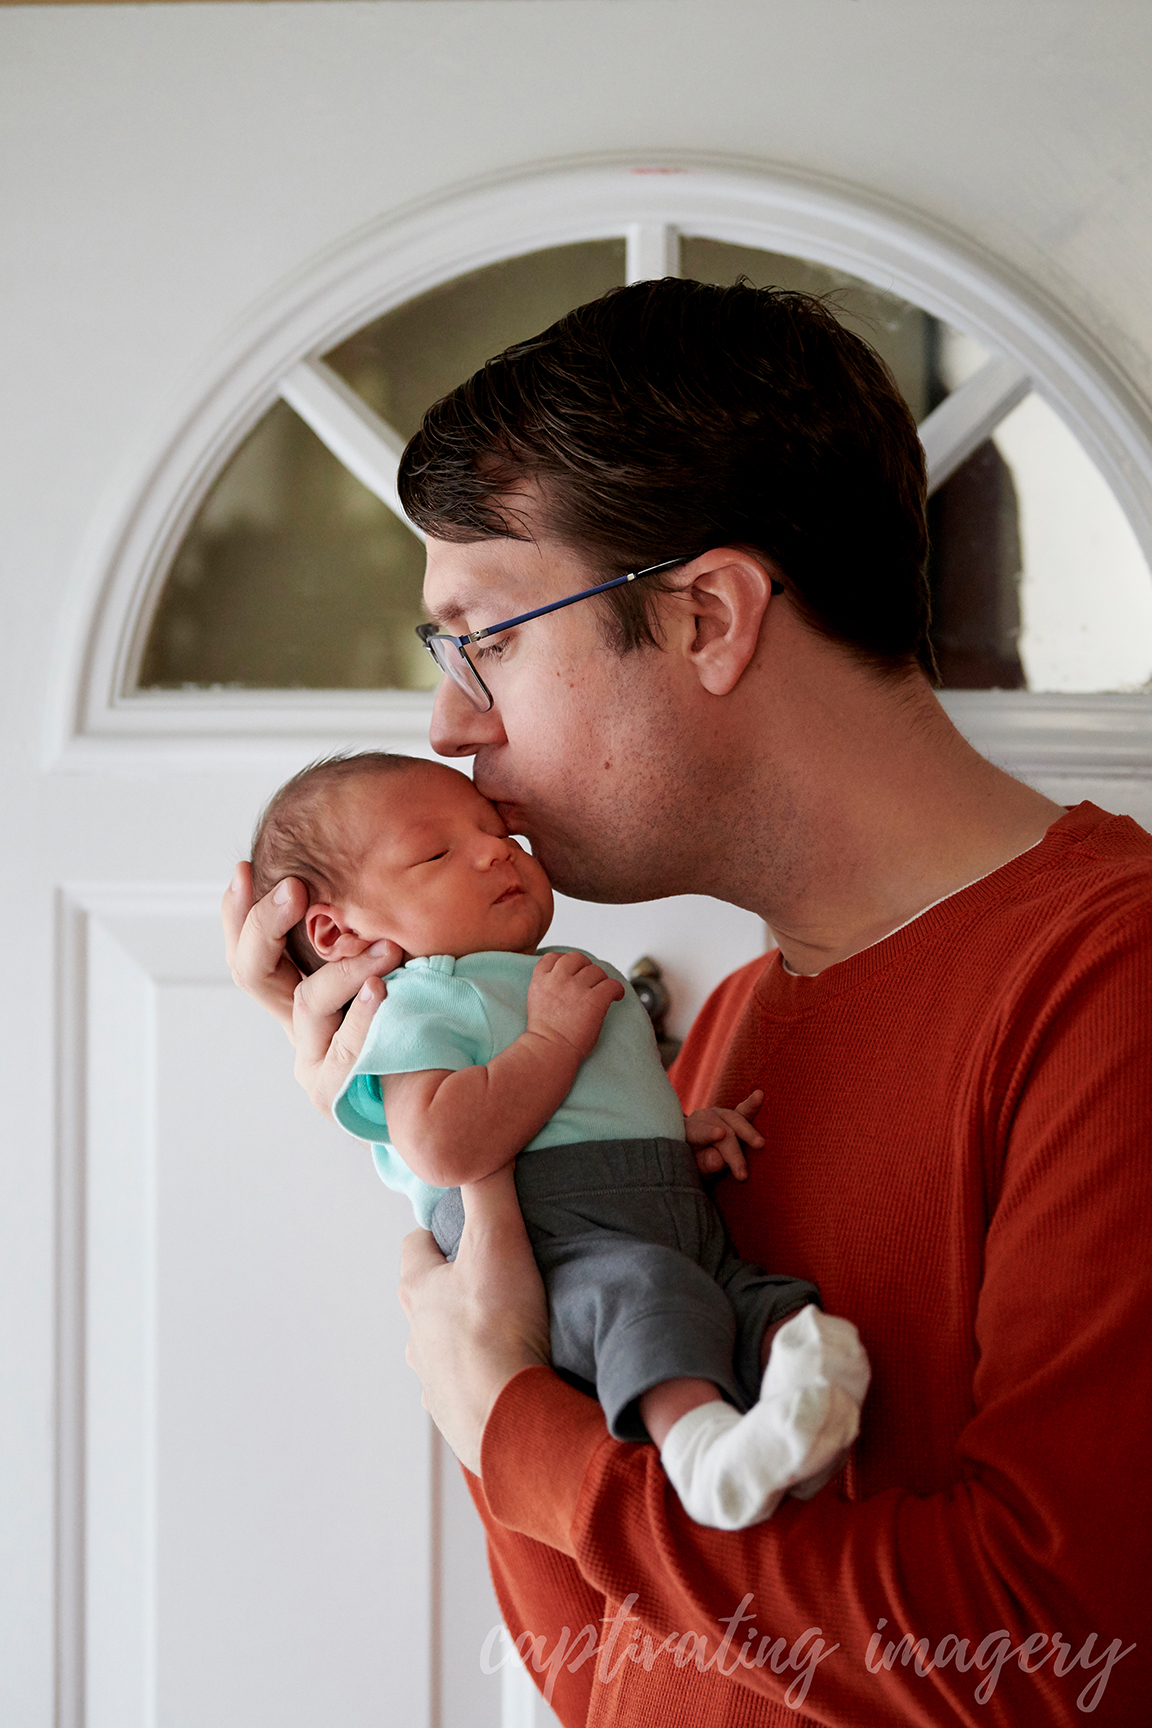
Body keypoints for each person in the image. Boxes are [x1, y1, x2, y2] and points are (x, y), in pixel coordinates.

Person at [224, 281, 1151, 1724]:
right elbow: (605, 1659)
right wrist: (416, 1146)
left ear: (707, 615)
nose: (452, 727)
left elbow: (1057, 1652)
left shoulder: (1112, 984)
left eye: (489, 637)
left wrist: (514, 1429)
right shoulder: (690, 1043)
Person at [248, 749, 871, 1530]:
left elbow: (571, 1115)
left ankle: (802, 1410)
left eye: (493, 830)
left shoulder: (532, 973)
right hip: (558, 1242)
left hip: (658, 1213)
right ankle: (699, 1449)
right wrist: (553, 1040)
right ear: (337, 932)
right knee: (642, 1299)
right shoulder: (413, 1000)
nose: (493, 850)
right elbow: (445, 1144)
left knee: (750, 1300)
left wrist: (671, 1136)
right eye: (436, 852)